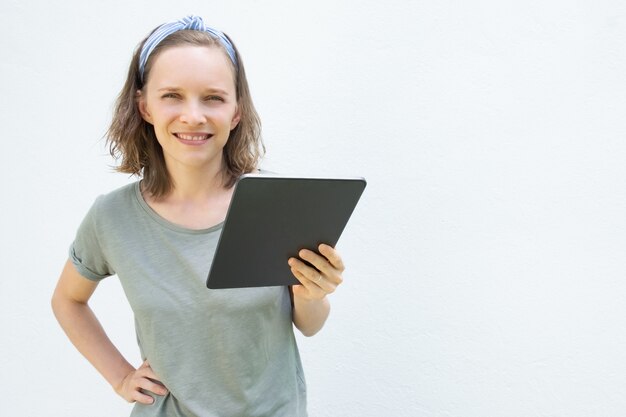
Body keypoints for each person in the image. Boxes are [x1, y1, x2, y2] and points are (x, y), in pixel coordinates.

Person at [51, 15, 345, 417]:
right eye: (172, 95)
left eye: (213, 98)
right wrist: (120, 376)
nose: (193, 116)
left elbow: (308, 324)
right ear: (145, 107)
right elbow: (68, 300)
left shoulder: (276, 204)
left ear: (236, 112)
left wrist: (314, 293)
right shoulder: (112, 217)